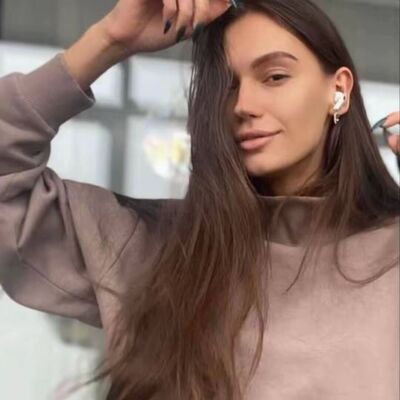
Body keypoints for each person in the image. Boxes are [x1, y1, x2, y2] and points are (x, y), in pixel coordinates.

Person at [0, 0, 399, 399]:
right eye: (227, 87)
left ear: (339, 89)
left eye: (275, 77)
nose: (243, 106)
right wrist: (110, 39)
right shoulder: (156, 248)